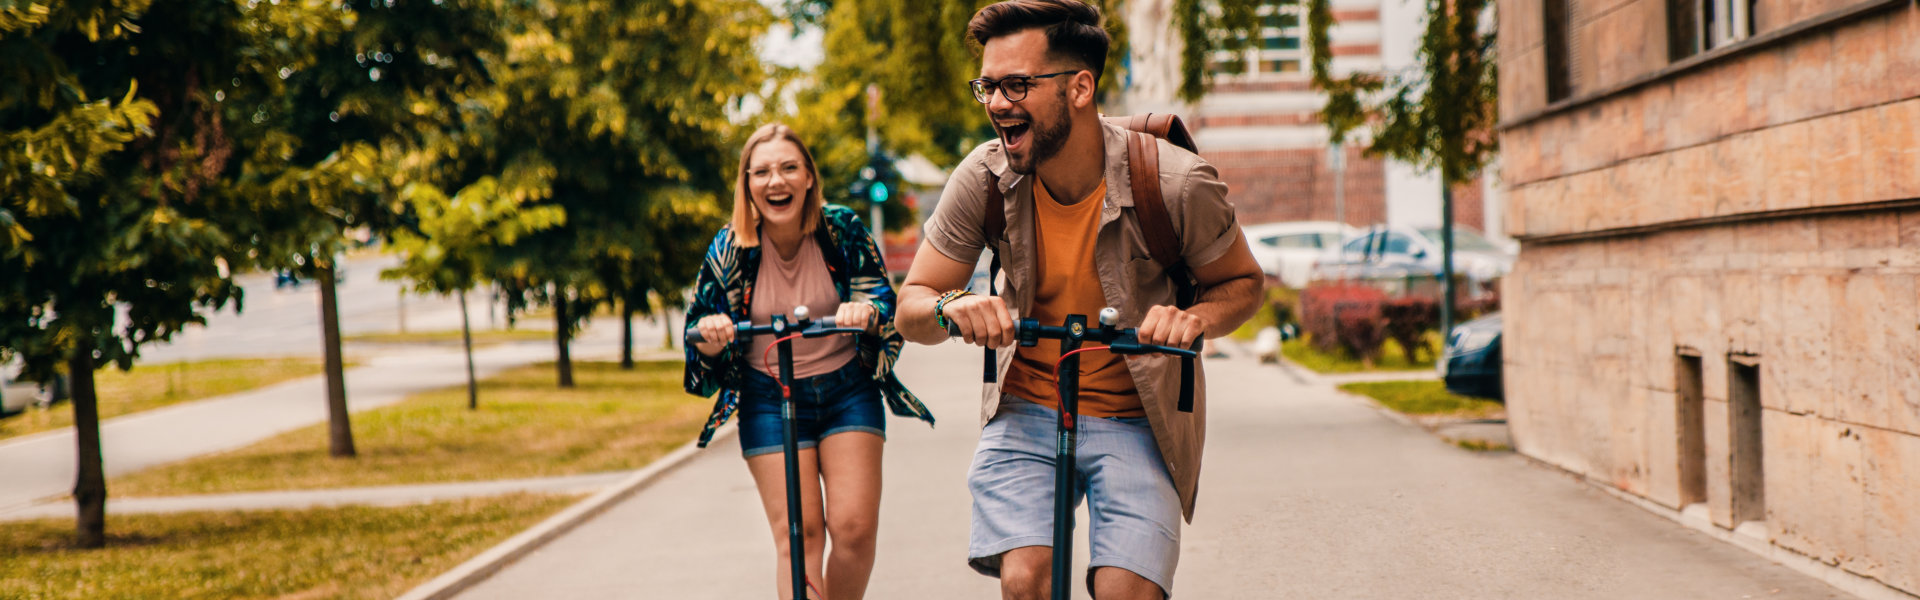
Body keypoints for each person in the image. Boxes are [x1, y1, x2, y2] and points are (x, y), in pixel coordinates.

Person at [895, 2, 1264, 598]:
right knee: (1026, 580)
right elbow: (911, 306)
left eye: (1016, 85)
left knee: (1127, 592)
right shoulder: (984, 178)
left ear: (1080, 88)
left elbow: (1245, 284)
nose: (995, 104)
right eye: (987, 86)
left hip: (1137, 418)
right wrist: (949, 307)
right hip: (1026, 410)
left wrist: (1191, 318)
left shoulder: (1175, 183)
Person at [683, 123, 935, 600]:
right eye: (762, 172)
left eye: (788, 168)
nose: (775, 181)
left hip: (846, 391)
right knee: (800, 536)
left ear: (808, 179)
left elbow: (884, 301)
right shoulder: (729, 248)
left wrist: (867, 313)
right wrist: (713, 337)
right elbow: (698, 334)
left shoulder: (840, 228)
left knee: (854, 528)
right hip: (767, 395)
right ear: (747, 184)